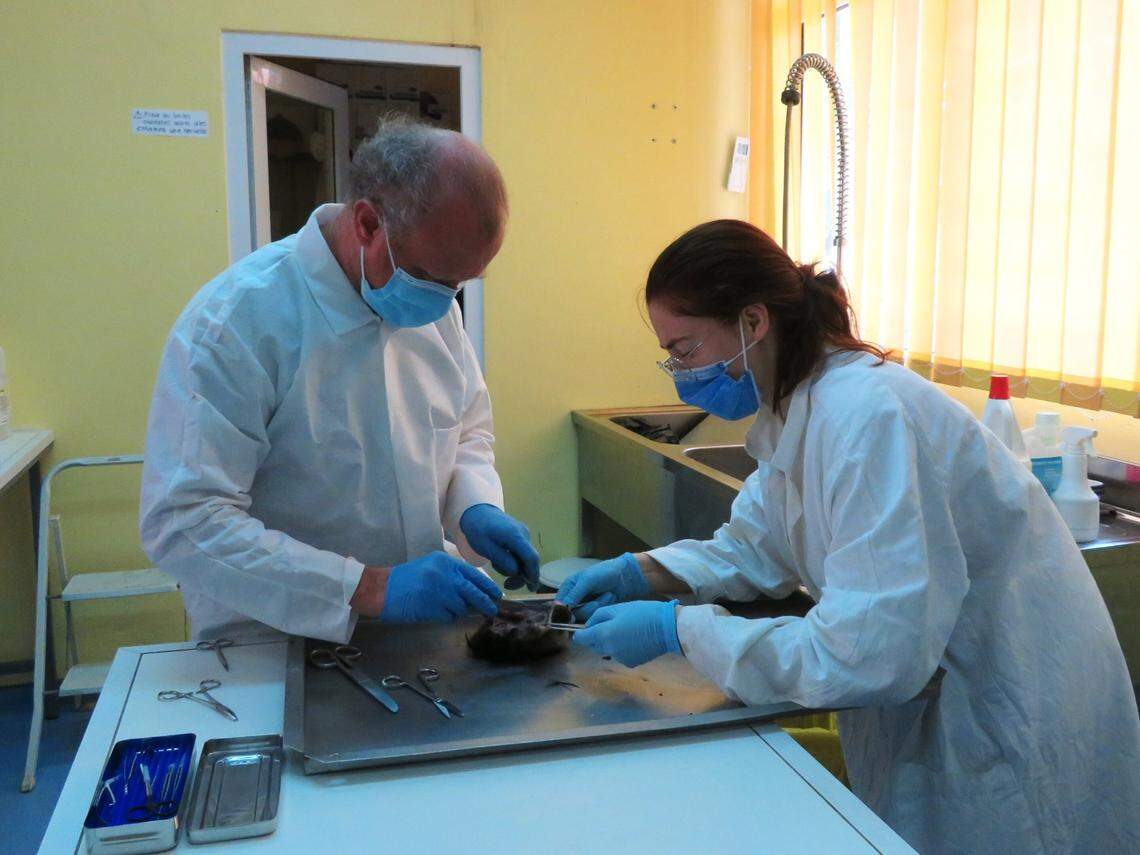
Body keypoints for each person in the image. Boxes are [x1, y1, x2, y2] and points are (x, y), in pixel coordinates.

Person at [558, 220, 1140, 853]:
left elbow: (864, 656)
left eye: (687, 348)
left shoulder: (864, 417)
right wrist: (640, 571)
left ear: (753, 322)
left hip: (1004, 707)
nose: (681, 372)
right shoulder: (795, 406)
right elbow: (756, 543)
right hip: (946, 699)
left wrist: (681, 631)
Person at [140, 117, 539, 642]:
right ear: (369, 224)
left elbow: (466, 431)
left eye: (461, 283)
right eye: (431, 277)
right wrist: (367, 587)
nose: (445, 299)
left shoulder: (434, 307)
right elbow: (186, 522)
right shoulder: (238, 323)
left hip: (418, 635)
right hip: (275, 640)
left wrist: (474, 505)